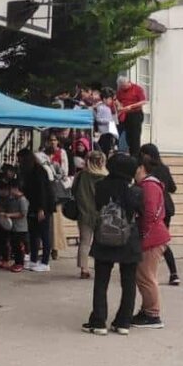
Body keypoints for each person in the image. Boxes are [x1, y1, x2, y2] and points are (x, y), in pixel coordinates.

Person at [84, 154, 142, 335]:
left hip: (105, 236)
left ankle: (99, 321)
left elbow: (97, 207)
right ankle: (123, 321)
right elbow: (140, 212)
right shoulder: (135, 190)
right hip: (128, 237)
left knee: (101, 281)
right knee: (129, 281)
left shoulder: (101, 186)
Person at [132, 158, 171, 329]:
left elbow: (149, 213)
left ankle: (152, 314)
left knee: (146, 277)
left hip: (152, 238)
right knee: (145, 276)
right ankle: (147, 309)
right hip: (155, 236)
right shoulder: (151, 185)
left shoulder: (148, 186)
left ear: (141, 168)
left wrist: (143, 235)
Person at [140, 144, 179, 285]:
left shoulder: (147, 170)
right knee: (161, 241)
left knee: (158, 241)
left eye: (143, 153)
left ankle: (152, 272)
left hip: (156, 207)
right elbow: (173, 188)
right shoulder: (164, 168)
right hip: (167, 207)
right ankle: (173, 273)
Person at [72, 151, 107, 279]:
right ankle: (100, 266)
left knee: (84, 242)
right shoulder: (105, 176)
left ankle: (84, 268)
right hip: (102, 213)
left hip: (84, 212)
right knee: (101, 242)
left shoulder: (81, 175)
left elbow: (73, 190)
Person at [19, 149, 53, 271]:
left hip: (42, 206)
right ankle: (34, 259)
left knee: (44, 233)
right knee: (33, 234)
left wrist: (42, 208)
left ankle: (45, 261)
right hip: (33, 205)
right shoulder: (28, 172)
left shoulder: (39, 172)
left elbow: (42, 192)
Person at [45, 134, 70, 260]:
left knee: (56, 221)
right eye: (50, 140)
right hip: (47, 191)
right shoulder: (43, 154)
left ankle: (55, 248)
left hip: (57, 192)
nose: (52, 142)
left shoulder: (62, 153)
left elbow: (64, 172)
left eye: (54, 140)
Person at [117, 76, 148, 157]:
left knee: (135, 136)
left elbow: (143, 101)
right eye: (122, 86)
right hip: (125, 114)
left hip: (135, 114)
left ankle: (135, 156)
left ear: (128, 82)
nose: (123, 88)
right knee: (128, 136)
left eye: (124, 86)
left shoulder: (137, 89)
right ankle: (131, 153)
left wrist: (131, 106)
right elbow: (118, 100)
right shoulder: (120, 90)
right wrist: (119, 106)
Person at [4, 181, 30, 273]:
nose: (10, 191)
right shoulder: (13, 199)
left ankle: (20, 263)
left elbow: (23, 213)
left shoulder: (22, 200)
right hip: (13, 227)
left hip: (21, 228)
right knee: (14, 245)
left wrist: (9, 215)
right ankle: (16, 262)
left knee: (19, 246)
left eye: (11, 189)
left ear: (16, 189)